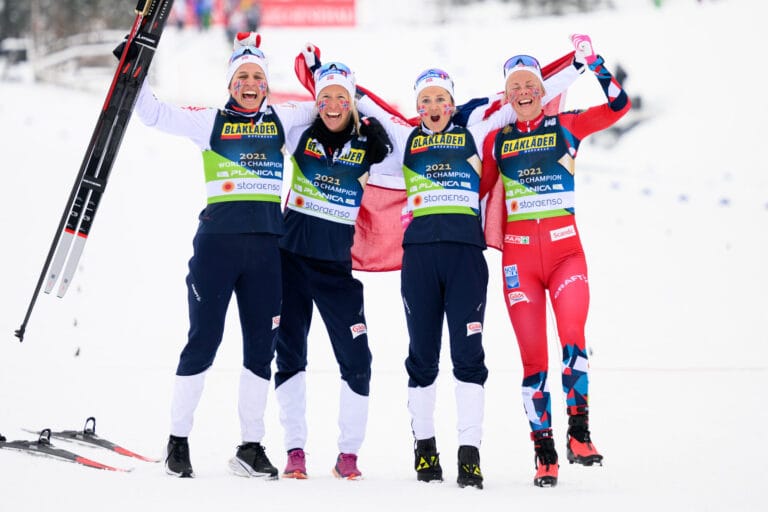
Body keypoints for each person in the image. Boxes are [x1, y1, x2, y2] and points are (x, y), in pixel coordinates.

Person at [355, 59, 581, 489]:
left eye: (441, 98)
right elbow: (369, 106)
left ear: (452, 104)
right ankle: (424, 449)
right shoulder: (406, 139)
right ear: (418, 107)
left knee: (469, 357)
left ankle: (469, 454)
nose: (433, 105)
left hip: (466, 261)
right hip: (420, 260)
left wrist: (577, 66)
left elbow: (525, 95)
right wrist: (327, 77)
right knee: (422, 357)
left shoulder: (475, 134)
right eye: (426, 100)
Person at [132, 32, 316, 478]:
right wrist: (132, 70)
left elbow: (334, 105)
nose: (249, 83)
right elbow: (153, 114)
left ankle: (249, 448)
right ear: (230, 84)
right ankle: (177, 441)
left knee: (260, 349)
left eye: (256, 76)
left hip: (267, 254)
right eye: (241, 77)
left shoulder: (285, 119)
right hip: (217, 249)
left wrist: (320, 76)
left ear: (267, 84)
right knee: (203, 342)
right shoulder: (209, 121)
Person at [481, 34, 631, 488]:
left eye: (531, 84)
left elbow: (618, 107)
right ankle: (544, 454)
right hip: (519, 261)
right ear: (507, 97)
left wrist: (596, 64)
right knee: (534, 362)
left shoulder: (565, 126)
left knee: (573, 340)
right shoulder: (496, 140)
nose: (524, 92)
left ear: (543, 91)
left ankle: (579, 434)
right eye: (515, 88)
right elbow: (477, 193)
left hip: (567, 253)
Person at [273, 61, 393, 481]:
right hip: (289, 261)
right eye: (326, 98)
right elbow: (279, 116)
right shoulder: (300, 134)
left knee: (358, 358)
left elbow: (412, 145)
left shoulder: (367, 145)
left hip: (335, 270)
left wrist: (377, 126)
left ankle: (348, 454)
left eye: (343, 98)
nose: (333, 106)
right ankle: (294, 450)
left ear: (353, 101)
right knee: (289, 355)